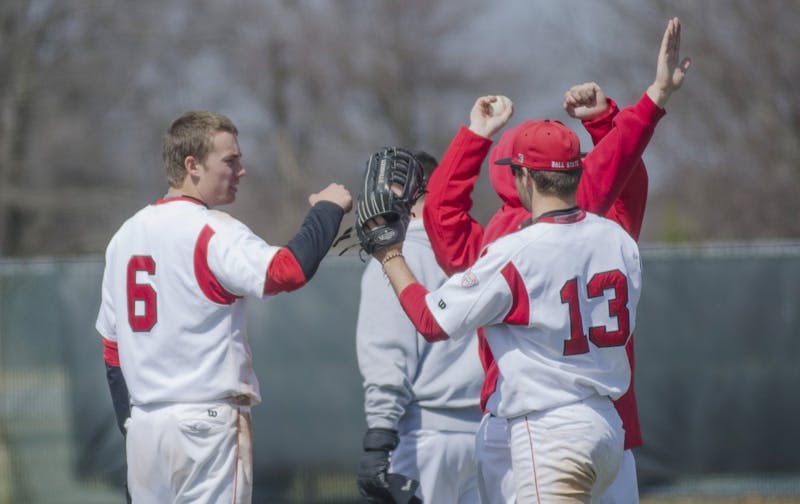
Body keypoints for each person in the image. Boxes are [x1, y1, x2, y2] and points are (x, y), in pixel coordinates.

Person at [422, 17, 690, 503]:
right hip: (610, 422)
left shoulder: (500, 245)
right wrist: (612, 118)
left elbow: (442, 219)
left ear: (518, 175)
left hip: (527, 423)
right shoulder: (601, 223)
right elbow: (623, 173)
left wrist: (474, 137)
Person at [369, 117, 642, 502]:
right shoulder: (616, 239)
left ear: (525, 178)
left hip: (551, 430)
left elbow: (431, 320)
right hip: (609, 425)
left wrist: (389, 255)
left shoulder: (514, 253)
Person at [94, 110, 352, 503]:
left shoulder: (123, 236)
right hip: (205, 425)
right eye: (230, 160)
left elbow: (112, 350)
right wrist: (327, 210)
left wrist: (132, 426)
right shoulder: (210, 229)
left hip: (146, 427)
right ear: (191, 165)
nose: (241, 170)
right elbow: (288, 270)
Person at [355, 151, 483, 503]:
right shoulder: (480, 248)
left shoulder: (396, 256)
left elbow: (387, 356)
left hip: (424, 436)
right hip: (489, 435)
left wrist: (379, 438)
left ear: (403, 190)